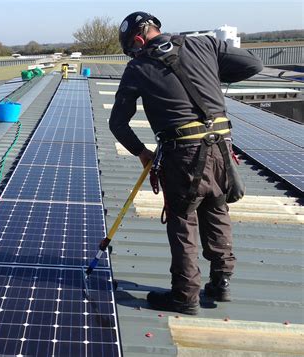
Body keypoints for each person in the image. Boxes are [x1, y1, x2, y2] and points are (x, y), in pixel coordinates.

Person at [109, 11, 263, 315]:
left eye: (133, 48)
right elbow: (253, 64)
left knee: (183, 222)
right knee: (217, 209)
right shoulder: (204, 44)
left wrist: (142, 153)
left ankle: (185, 295)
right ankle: (222, 282)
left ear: (138, 40)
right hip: (221, 146)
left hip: (183, 155)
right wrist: (211, 72)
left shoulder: (138, 67)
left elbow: (118, 123)